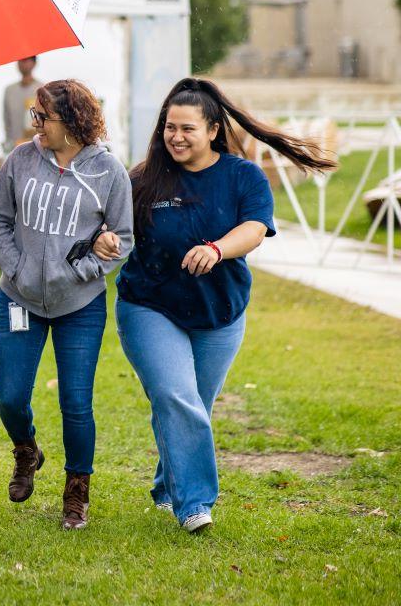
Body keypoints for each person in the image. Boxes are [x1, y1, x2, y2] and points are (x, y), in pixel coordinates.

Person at [96, 77, 335, 533]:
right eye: (170, 127)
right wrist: (106, 239)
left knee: (192, 405)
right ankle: (195, 505)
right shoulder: (143, 178)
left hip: (219, 312)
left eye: (187, 128)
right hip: (150, 306)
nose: (176, 137)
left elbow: (256, 227)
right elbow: (113, 230)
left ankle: (169, 485)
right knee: (176, 396)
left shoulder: (241, 175)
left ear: (211, 130)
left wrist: (218, 248)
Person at [0, 79, 133, 530]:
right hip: (19, 298)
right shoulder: (20, 160)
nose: (35, 124)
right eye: (35, 115)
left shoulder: (109, 171)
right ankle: (26, 450)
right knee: (10, 397)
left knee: (76, 403)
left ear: (71, 121)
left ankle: (76, 490)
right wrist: (17, 269)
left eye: (42, 116)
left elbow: (122, 239)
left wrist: (81, 270)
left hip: (80, 305)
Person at [3, 56, 41, 150]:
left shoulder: (42, 89)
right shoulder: (10, 90)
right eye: (20, 60)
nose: (22, 63)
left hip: (37, 146)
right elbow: (6, 119)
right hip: (14, 146)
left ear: (34, 63)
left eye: (25, 60)